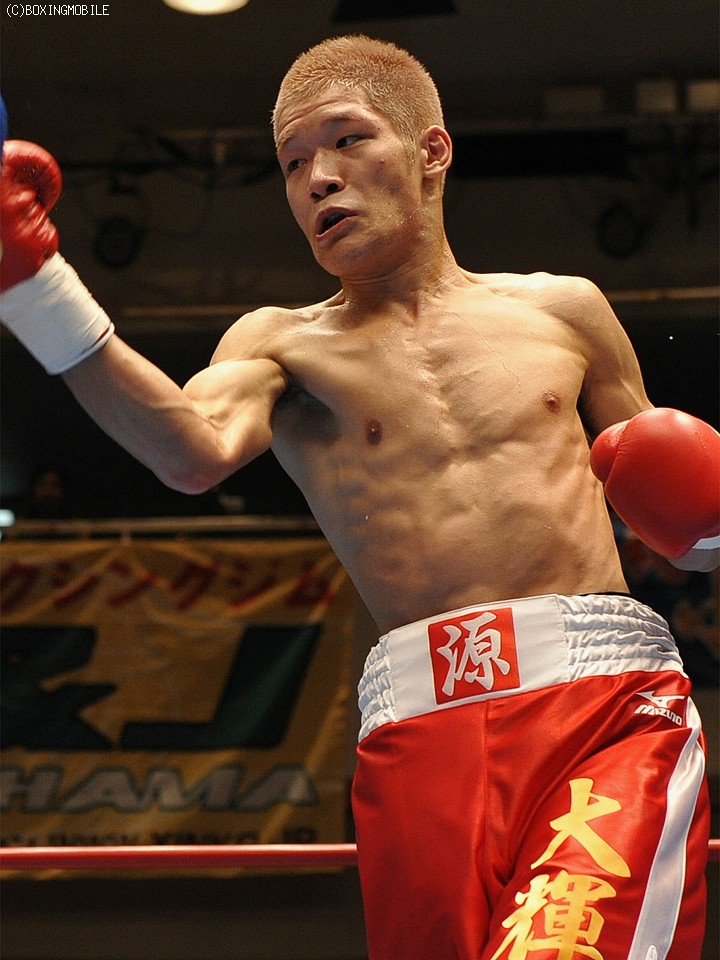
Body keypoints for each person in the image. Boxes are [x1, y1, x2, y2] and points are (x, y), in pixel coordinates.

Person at [1, 35, 718, 960]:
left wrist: (710, 523)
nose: (319, 179)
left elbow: (689, 529)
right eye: (293, 163)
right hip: (418, 736)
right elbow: (189, 450)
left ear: (431, 150)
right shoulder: (282, 346)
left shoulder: (563, 312)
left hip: (601, 710)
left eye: (346, 140)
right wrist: (34, 289)